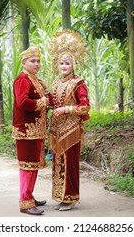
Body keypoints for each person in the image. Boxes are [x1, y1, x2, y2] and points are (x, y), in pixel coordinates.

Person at [48, 29, 90, 211]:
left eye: (67, 63)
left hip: (72, 130)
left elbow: (85, 107)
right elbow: (50, 101)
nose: (64, 66)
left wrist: (66, 109)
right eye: (61, 63)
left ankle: (71, 197)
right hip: (57, 130)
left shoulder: (78, 83)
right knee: (58, 163)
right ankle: (61, 197)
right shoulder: (56, 82)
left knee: (70, 164)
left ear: (73, 64)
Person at [12, 45, 49, 215]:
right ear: (24, 63)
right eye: (33, 61)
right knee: (27, 167)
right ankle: (25, 203)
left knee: (33, 166)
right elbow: (23, 102)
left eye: (38, 61)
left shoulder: (35, 79)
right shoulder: (22, 80)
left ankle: (29, 197)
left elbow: (47, 97)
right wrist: (42, 102)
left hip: (36, 131)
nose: (36, 64)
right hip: (26, 131)